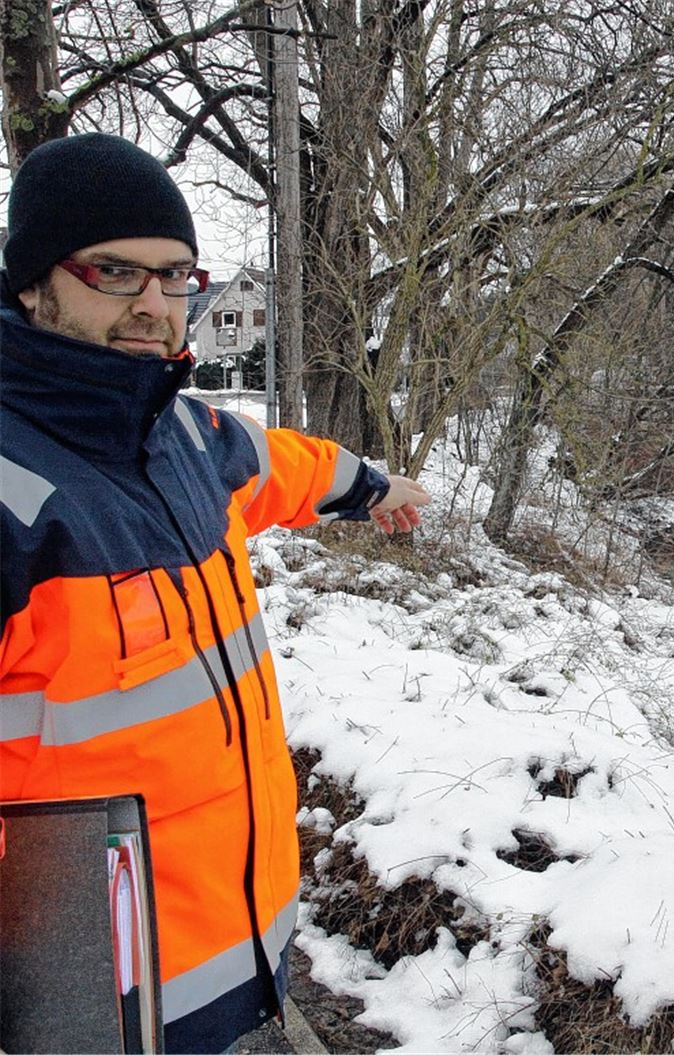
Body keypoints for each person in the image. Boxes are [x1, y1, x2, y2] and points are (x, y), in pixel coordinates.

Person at [0, 133, 430, 1053]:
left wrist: (373, 487)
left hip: (240, 955)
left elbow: (283, 466)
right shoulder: (12, 497)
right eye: (114, 273)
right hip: (91, 1007)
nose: (154, 305)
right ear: (35, 283)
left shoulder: (188, 435)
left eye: (176, 276)